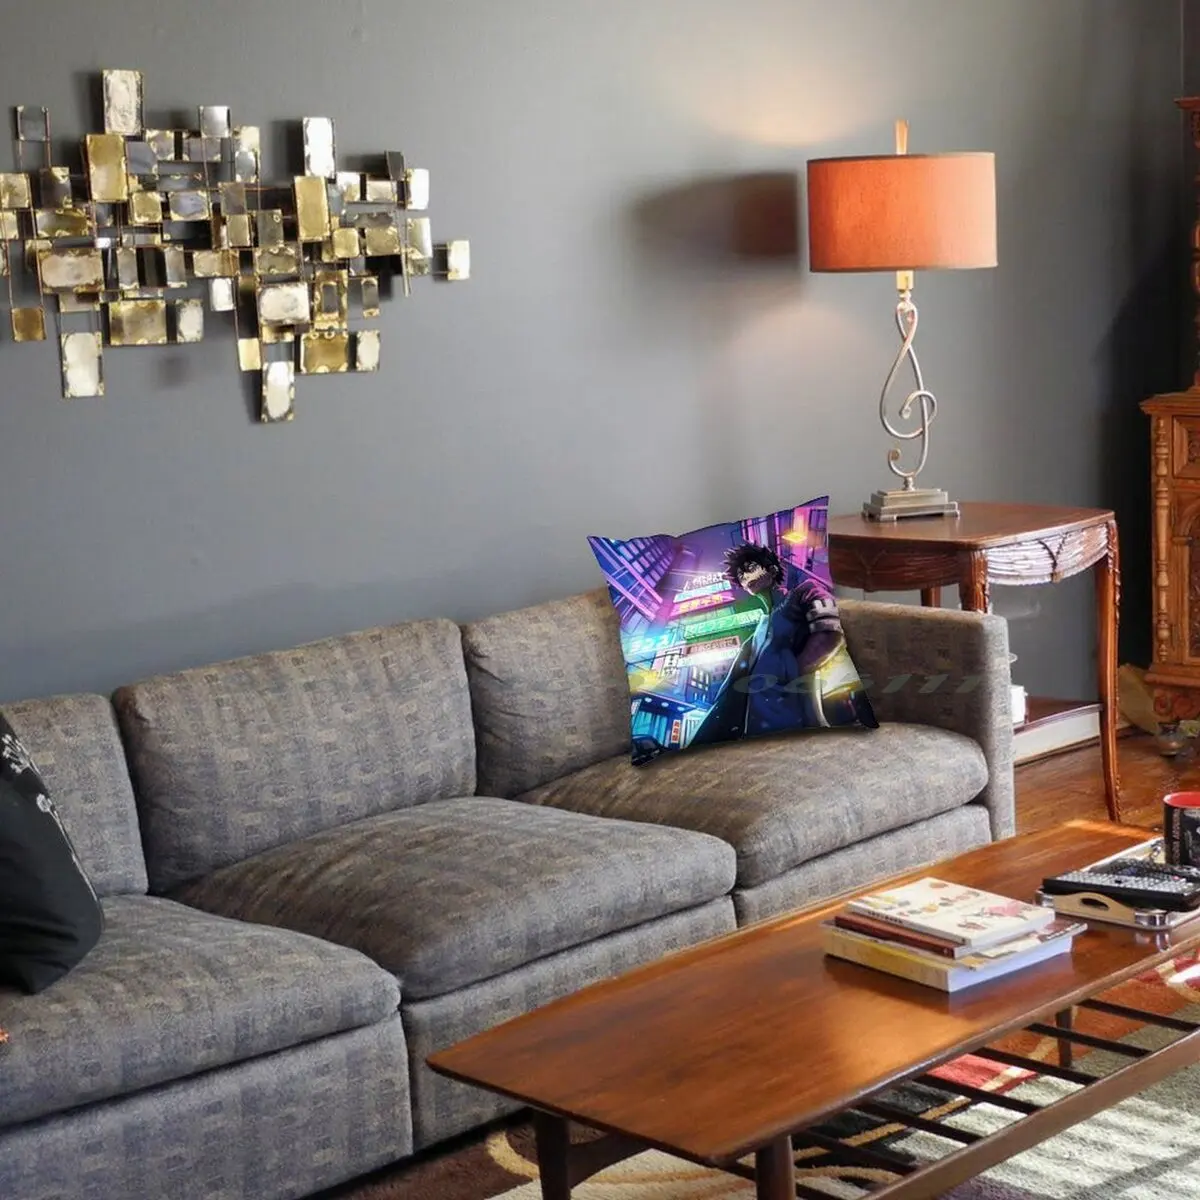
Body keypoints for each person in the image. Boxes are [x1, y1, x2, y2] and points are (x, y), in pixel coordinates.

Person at [688, 542, 875, 745]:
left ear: (772, 570)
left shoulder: (803, 592)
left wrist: (793, 673)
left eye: (750, 567)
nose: (745, 576)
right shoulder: (758, 630)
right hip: (756, 725)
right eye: (740, 574)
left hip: (796, 711)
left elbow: (830, 632)